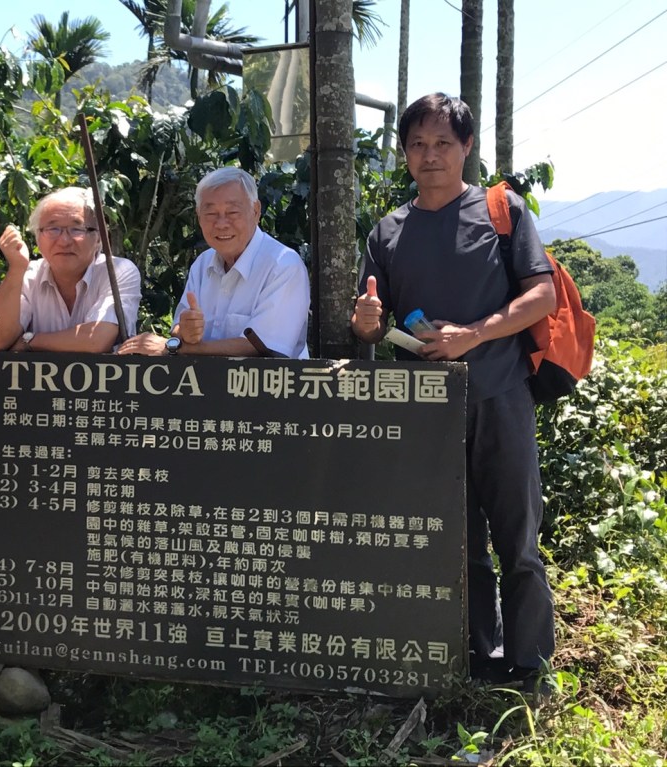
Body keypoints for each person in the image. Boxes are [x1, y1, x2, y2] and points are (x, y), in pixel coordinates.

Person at [350, 93, 557, 688]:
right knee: (454, 539)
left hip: (500, 394)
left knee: (518, 536)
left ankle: (529, 664)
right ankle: (473, 655)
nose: (430, 155)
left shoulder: (501, 210)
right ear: (404, 153)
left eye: (443, 142)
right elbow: (371, 323)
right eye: (417, 144)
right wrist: (366, 322)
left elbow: (541, 295)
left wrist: (474, 334)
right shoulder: (388, 231)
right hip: (427, 412)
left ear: (467, 147)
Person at [116, 167, 310, 359]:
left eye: (232, 212)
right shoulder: (202, 264)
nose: (221, 224)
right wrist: (185, 331)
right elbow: (179, 329)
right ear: (199, 217)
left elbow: (261, 347)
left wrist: (174, 348)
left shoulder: (283, 265)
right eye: (210, 214)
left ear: (256, 211)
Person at [0, 186, 141, 353]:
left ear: (99, 238)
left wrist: (30, 340)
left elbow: (97, 340)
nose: (64, 241)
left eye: (77, 229)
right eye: (53, 229)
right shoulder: (29, 275)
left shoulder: (117, 272)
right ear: (38, 238)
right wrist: (16, 269)